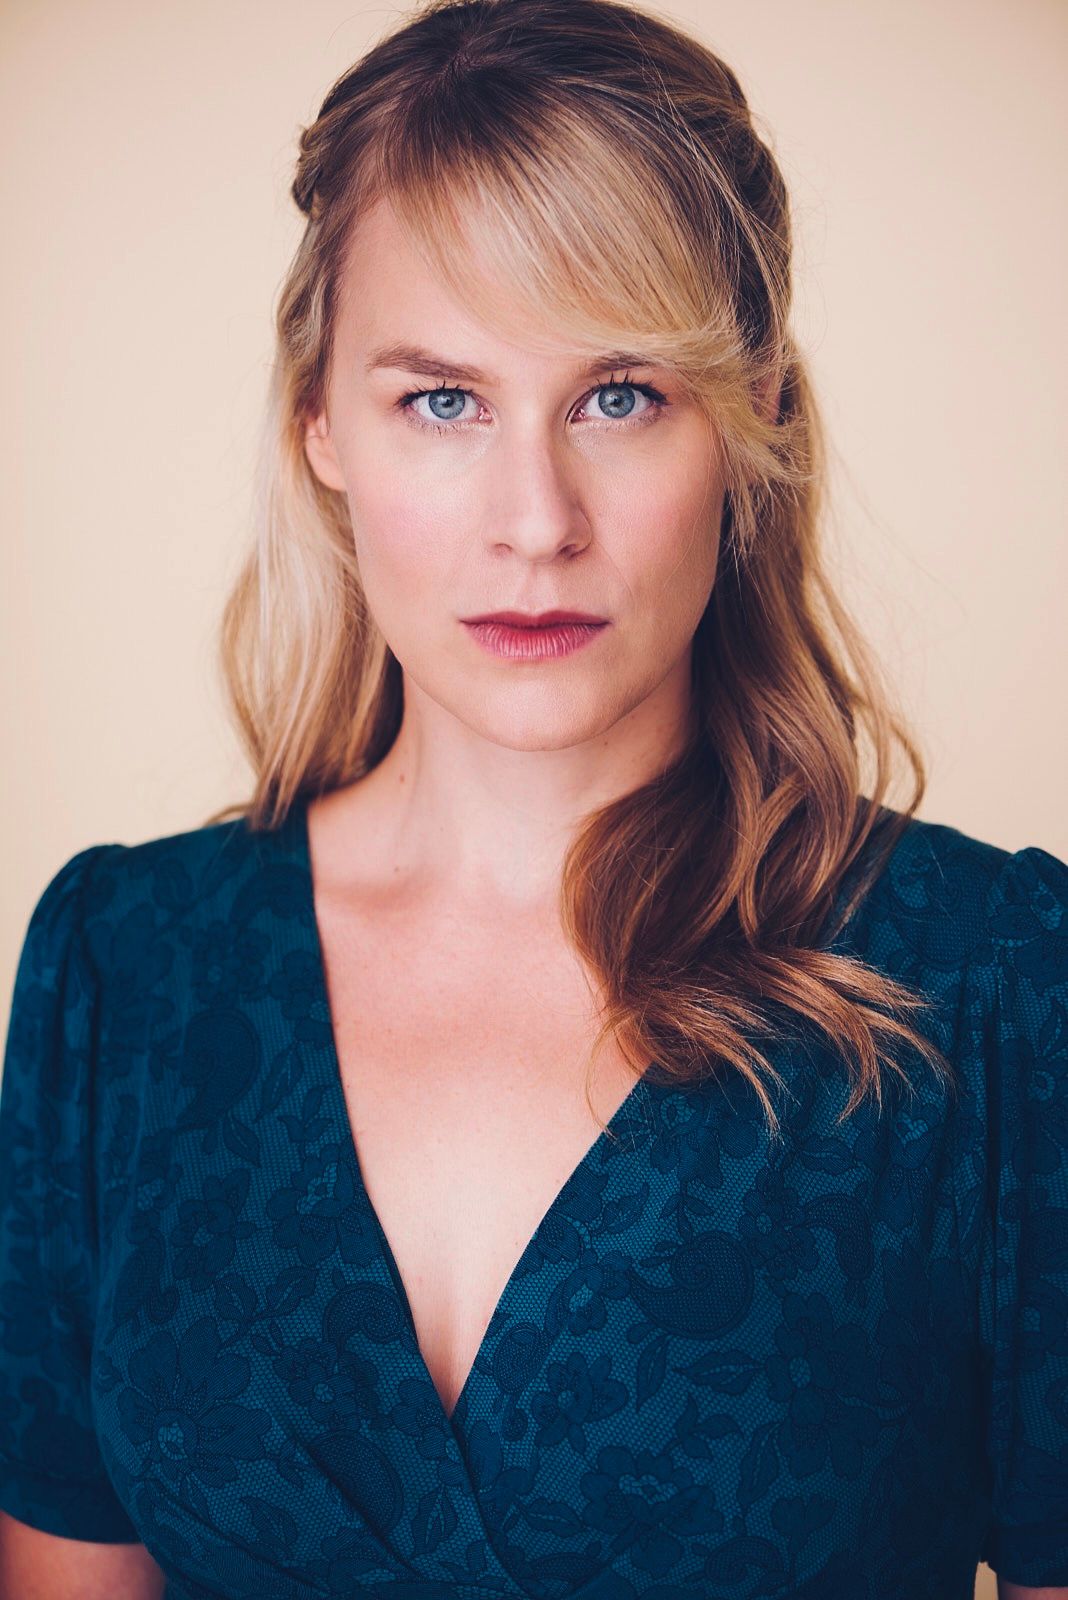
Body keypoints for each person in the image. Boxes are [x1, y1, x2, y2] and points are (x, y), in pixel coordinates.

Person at [1, 0, 1065, 1594]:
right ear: (321, 428)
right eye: (443, 400)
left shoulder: (997, 989)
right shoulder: (120, 972)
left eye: (620, 394)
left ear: (756, 418)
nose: (535, 521)